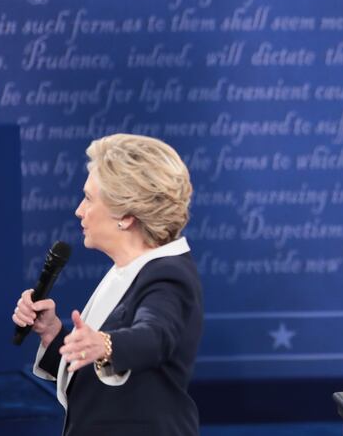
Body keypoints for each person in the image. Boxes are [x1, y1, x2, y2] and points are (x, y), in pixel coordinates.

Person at [12, 133, 203, 436]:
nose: (79, 210)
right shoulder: (128, 269)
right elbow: (95, 378)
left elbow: (155, 336)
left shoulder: (168, 276)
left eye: (88, 198)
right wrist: (52, 334)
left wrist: (105, 344)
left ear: (126, 216)